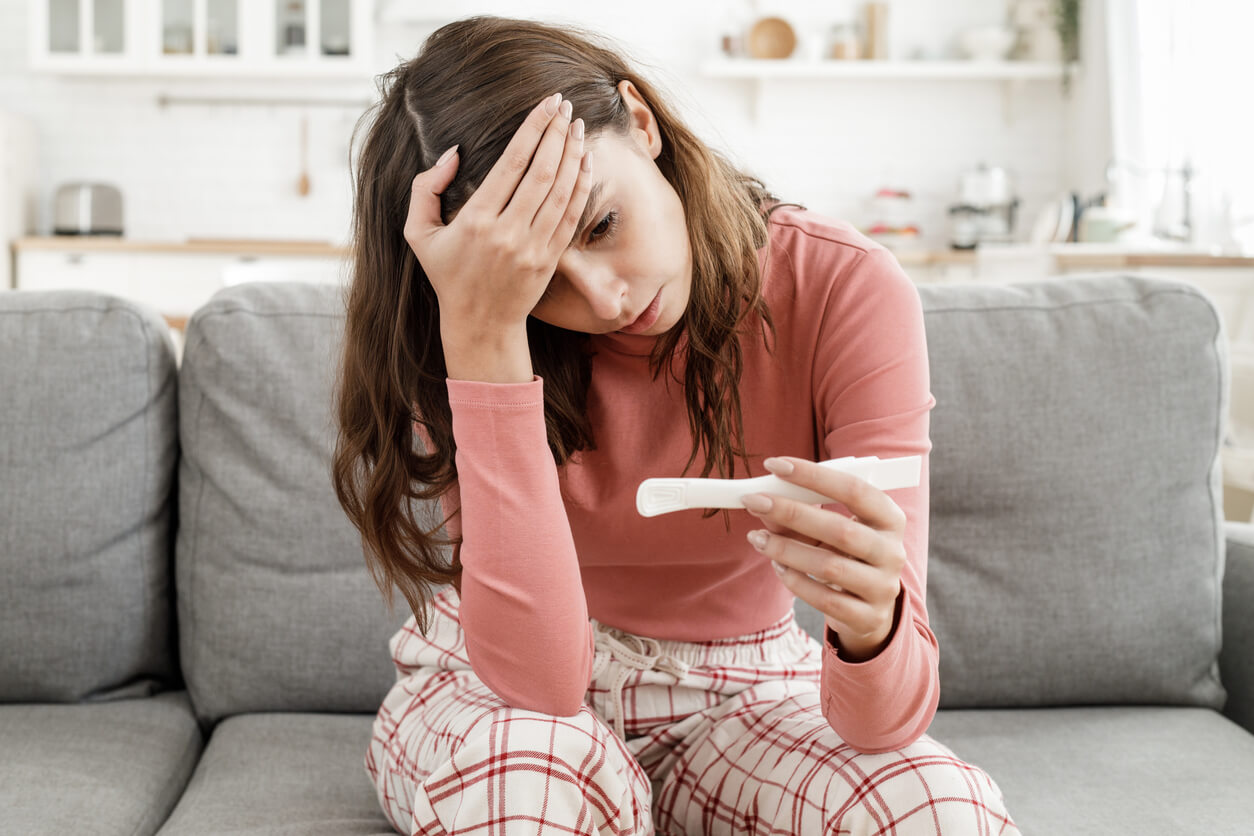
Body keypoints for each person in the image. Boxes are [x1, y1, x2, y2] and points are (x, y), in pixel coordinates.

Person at [331, 14, 1020, 836]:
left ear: (644, 123)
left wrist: (874, 628)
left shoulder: (843, 289)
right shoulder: (470, 319)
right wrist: (486, 335)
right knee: (526, 783)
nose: (603, 298)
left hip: (747, 692)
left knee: (940, 811)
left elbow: (885, 726)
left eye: (598, 225)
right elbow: (541, 688)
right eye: (539, 277)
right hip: (496, 695)